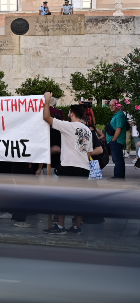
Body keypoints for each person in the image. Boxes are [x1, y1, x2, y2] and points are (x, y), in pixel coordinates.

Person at [42, 96, 94, 234]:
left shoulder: (68, 126)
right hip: (84, 168)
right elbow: (89, 152)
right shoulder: (87, 130)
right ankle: (77, 226)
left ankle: (60, 226)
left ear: (71, 113)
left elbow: (47, 117)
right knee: (79, 200)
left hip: (69, 166)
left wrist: (47, 100)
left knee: (62, 198)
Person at [109, 99, 128, 179]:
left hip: (118, 140)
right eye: (110, 105)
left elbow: (119, 129)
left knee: (117, 159)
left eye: (113, 105)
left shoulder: (120, 115)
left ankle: (118, 175)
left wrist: (113, 139)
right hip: (116, 140)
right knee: (117, 158)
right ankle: (119, 174)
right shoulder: (117, 115)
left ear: (117, 106)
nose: (111, 107)